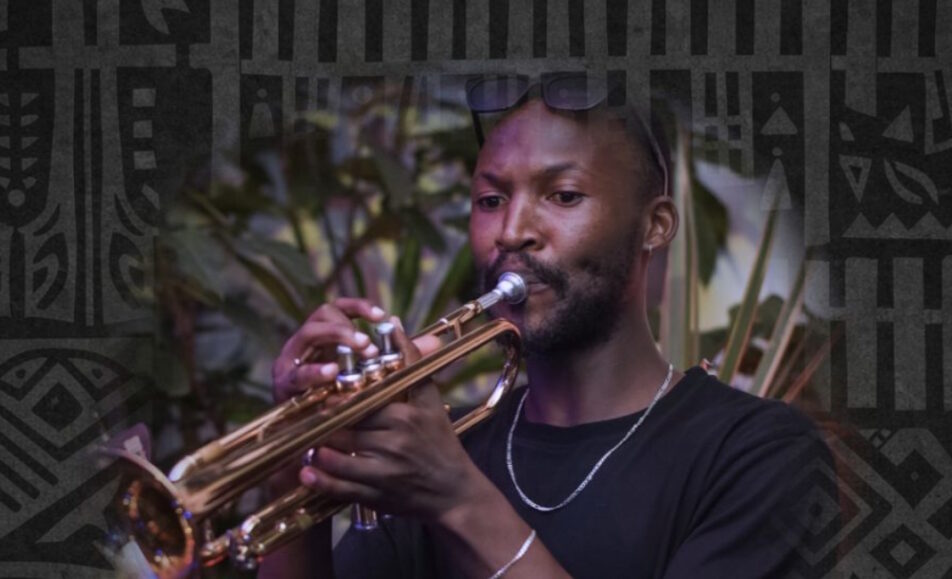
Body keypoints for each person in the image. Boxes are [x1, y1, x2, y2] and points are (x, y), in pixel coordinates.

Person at [260, 75, 829, 578]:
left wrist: (458, 499)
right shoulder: (444, 446)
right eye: (490, 200)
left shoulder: (760, 453)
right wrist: (292, 470)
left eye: (563, 195)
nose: (512, 231)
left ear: (654, 226)